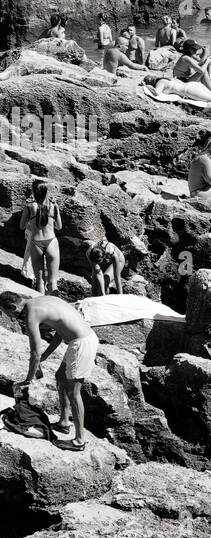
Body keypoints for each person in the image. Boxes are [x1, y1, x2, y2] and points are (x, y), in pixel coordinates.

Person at [0, 291, 99, 449]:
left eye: (9, 314)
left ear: (13, 307)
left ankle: (80, 441)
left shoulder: (31, 315)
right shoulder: (41, 301)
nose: (12, 318)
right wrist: (45, 355)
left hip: (82, 343)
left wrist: (29, 379)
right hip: (79, 341)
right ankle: (64, 422)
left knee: (74, 393)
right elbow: (60, 333)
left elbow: (34, 353)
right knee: (60, 377)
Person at [20, 180, 61, 293]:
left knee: (40, 282)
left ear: (33, 192)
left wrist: (30, 221)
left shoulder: (28, 207)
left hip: (36, 243)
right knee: (53, 282)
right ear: (46, 192)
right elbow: (59, 227)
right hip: (51, 242)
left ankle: (42, 308)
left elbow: (21, 226)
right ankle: (55, 307)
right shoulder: (53, 206)